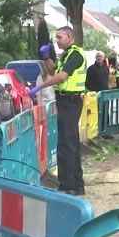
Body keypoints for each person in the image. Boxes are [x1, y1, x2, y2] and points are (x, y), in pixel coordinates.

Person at [28, 26, 86, 195]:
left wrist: (39, 87)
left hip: (70, 100)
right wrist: (46, 57)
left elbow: (62, 77)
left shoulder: (75, 54)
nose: (57, 40)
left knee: (66, 145)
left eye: (60, 37)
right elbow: (53, 71)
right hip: (66, 101)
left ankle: (68, 186)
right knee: (71, 143)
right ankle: (76, 184)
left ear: (70, 36)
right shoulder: (66, 55)